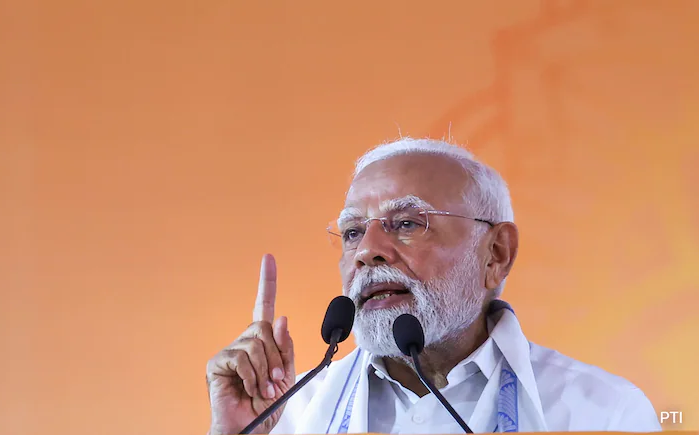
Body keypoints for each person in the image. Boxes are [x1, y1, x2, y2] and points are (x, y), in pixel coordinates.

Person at [205, 138, 662, 434]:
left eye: (406, 223)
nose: (367, 250)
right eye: (351, 232)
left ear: (496, 253)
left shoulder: (604, 413)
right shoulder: (287, 414)